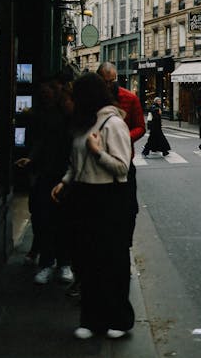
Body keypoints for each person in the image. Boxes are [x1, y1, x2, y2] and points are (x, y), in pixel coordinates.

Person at [51, 73, 135, 340]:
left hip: (109, 198)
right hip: (83, 195)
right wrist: (65, 181)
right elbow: (75, 162)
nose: (72, 99)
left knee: (111, 260)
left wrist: (98, 152)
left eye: (76, 94)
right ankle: (91, 317)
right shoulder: (82, 123)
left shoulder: (113, 124)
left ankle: (118, 319)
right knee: (86, 259)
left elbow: (122, 168)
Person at [16, 78, 74, 285]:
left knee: (60, 220)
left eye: (49, 90)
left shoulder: (66, 116)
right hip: (48, 172)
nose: (46, 94)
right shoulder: (45, 116)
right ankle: (51, 263)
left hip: (63, 173)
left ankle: (61, 263)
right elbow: (41, 142)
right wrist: (32, 159)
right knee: (47, 219)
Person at [97, 62, 145, 246]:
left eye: (113, 81)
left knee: (128, 209)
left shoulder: (130, 99)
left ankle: (125, 245)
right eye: (105, 81)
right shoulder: (92, 100)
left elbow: (140, 127)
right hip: (99, 164)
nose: (109, 85)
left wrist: (123, 137)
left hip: (124, 162)